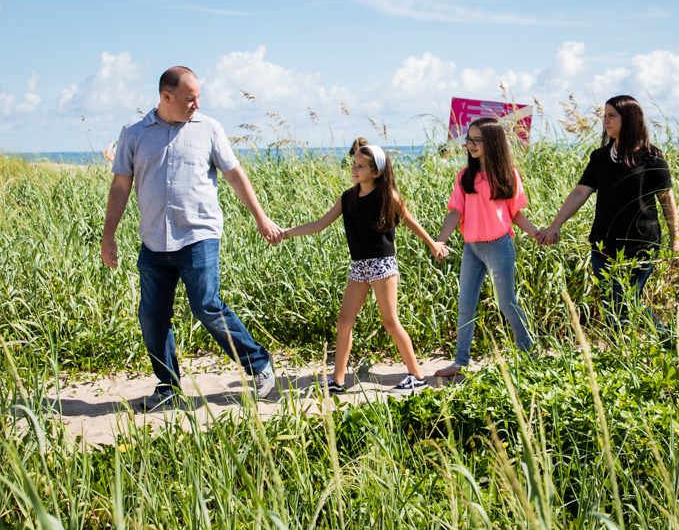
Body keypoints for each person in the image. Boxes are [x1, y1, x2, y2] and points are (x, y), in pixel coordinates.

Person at [102, 66, 283, 411]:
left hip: (199, 235)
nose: (196, 105)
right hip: (154, 240)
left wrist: (261, 218)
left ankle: (259, 366)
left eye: (198, 98)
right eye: (190, 99)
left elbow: (234, 175)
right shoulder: (134, 133)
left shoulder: (209, 129)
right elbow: (120, 186)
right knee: (152, 316)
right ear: (166, 97)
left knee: (206, 305)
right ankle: (168, 387)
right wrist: (108, 236)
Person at [276, 138, 447, 393]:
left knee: (390, 321)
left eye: (361, 167)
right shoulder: (348, 198)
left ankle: (416, 376)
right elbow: (319, 224)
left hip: (382, 265)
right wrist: (285, 233)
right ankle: (338, 380)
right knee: (344, 321)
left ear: (377, 172)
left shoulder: (388, 196)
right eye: (353, 164)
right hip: (359, 266)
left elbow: (410, 221)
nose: (354, 169)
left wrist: (433, 243)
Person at [536, 94, 678, 327]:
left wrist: (675, 240)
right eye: (605, 116)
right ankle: (622, 352)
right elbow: (580, 192)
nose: (606, 121)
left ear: (630, 119)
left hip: (641, 244)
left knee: (627, 302)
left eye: (612, 116)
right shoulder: (600, 157)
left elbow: (667, 201)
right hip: (603, 244)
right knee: (611, 305)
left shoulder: (652, 158)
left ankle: (665, 341)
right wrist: (556, 225)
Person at [436, 115, 541, 381]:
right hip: (472, 248)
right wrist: (441, 240)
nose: (471, 144)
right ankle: (460, 362)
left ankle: (529, 353)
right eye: (468, 139)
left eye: (477, 140)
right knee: (465, 305)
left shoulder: (507, 174)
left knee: (506, 302)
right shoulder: (465, 176)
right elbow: (455, 212)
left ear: (492, 142)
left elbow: (515, 213)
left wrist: (536, 233)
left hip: (499, 245)